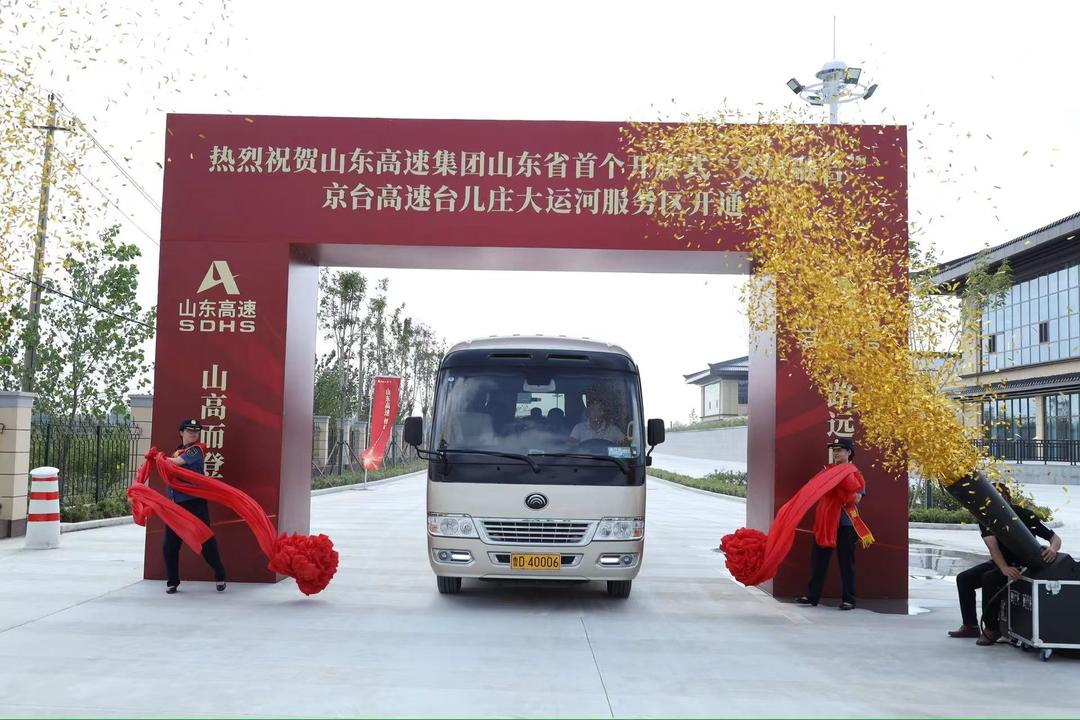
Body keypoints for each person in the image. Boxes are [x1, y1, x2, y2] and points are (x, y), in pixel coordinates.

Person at [948, 482, 1061, 645]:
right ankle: (970, 626)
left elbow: (1055, 538)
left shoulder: (1024, 514)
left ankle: (992, 628)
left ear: (1007, 499)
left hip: (1024, 565)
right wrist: (1004, 568)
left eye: (1001, 497)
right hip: (1002, 562)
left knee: (989, 578)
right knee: (964, 579)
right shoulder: (985, 516)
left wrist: (1053, 549)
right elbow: (993, 547)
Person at [796, 437, 864, 610]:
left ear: (849, 452)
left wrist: (840, 486)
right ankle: (812, 596)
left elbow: (856, 498)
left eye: (839, 450)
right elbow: (814, 488)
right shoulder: (826, 471)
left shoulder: (855, 473)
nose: (836, 453)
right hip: (826, 523)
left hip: (846, 524)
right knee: (818, 561)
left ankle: (849, 599)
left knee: (846, 563)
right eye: (834, 450)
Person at [162, 418, 228, 594]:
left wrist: (157, 457)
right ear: (181, 432)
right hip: (175, 506)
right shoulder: (177, 451)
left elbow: (176, 463)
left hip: (194, 503)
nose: (193, 434)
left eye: (196, 431)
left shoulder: (196, 450)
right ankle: (172, 582)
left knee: (205, 541)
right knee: (170, 545)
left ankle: (219, 573)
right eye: (189, 431)